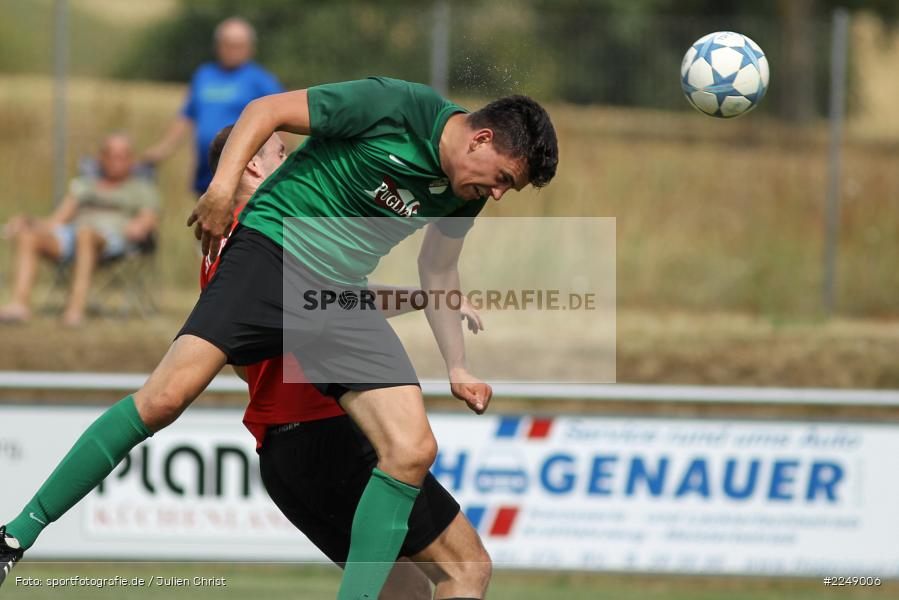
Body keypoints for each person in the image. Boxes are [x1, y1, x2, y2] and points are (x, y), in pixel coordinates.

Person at [0, 76, 558, 599]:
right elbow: (266, 111)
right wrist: (221, 191)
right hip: (273, 253)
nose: (500, 193)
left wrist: (457, 366)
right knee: (163, 399)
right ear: (481, 139)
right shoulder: (395, 106)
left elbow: (438, 270)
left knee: (413, 449)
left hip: (336, 294)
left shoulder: (467, 192)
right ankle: (16, 535)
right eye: (505, 178)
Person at [203, 126, 491, 598]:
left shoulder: (221, 250)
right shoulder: (276, 234)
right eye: (283, 153)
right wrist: (427, 294)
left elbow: (250, 356)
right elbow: (330, 302)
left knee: (404, 593)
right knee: (467, 567)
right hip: (330, 434)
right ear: (252, 165)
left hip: (282, 457)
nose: (296, 162)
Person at [0, 133, 159, 326]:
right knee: (29, 236)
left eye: (123, 156)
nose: (116, 161)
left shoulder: (141, 189)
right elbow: (55, 221)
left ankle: (74, 311)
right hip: (71, 236)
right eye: (111, 155)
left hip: (111, 239)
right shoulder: (85, 185)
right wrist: (29, 222)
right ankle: (19, 305)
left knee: (85, 234)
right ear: (101, 158)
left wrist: (140, 226)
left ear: (131, 160)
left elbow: (148, 218)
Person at [142, 16, 283, 195]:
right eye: (228, 44)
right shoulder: (204, 75)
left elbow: (281, 121)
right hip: (206, 168)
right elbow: (186, 116)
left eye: (239, 45)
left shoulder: (260, 80)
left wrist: (276, 164)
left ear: (250, 48)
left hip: (242, 171)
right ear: (218, 45)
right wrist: (161, 150)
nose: (232, 50)